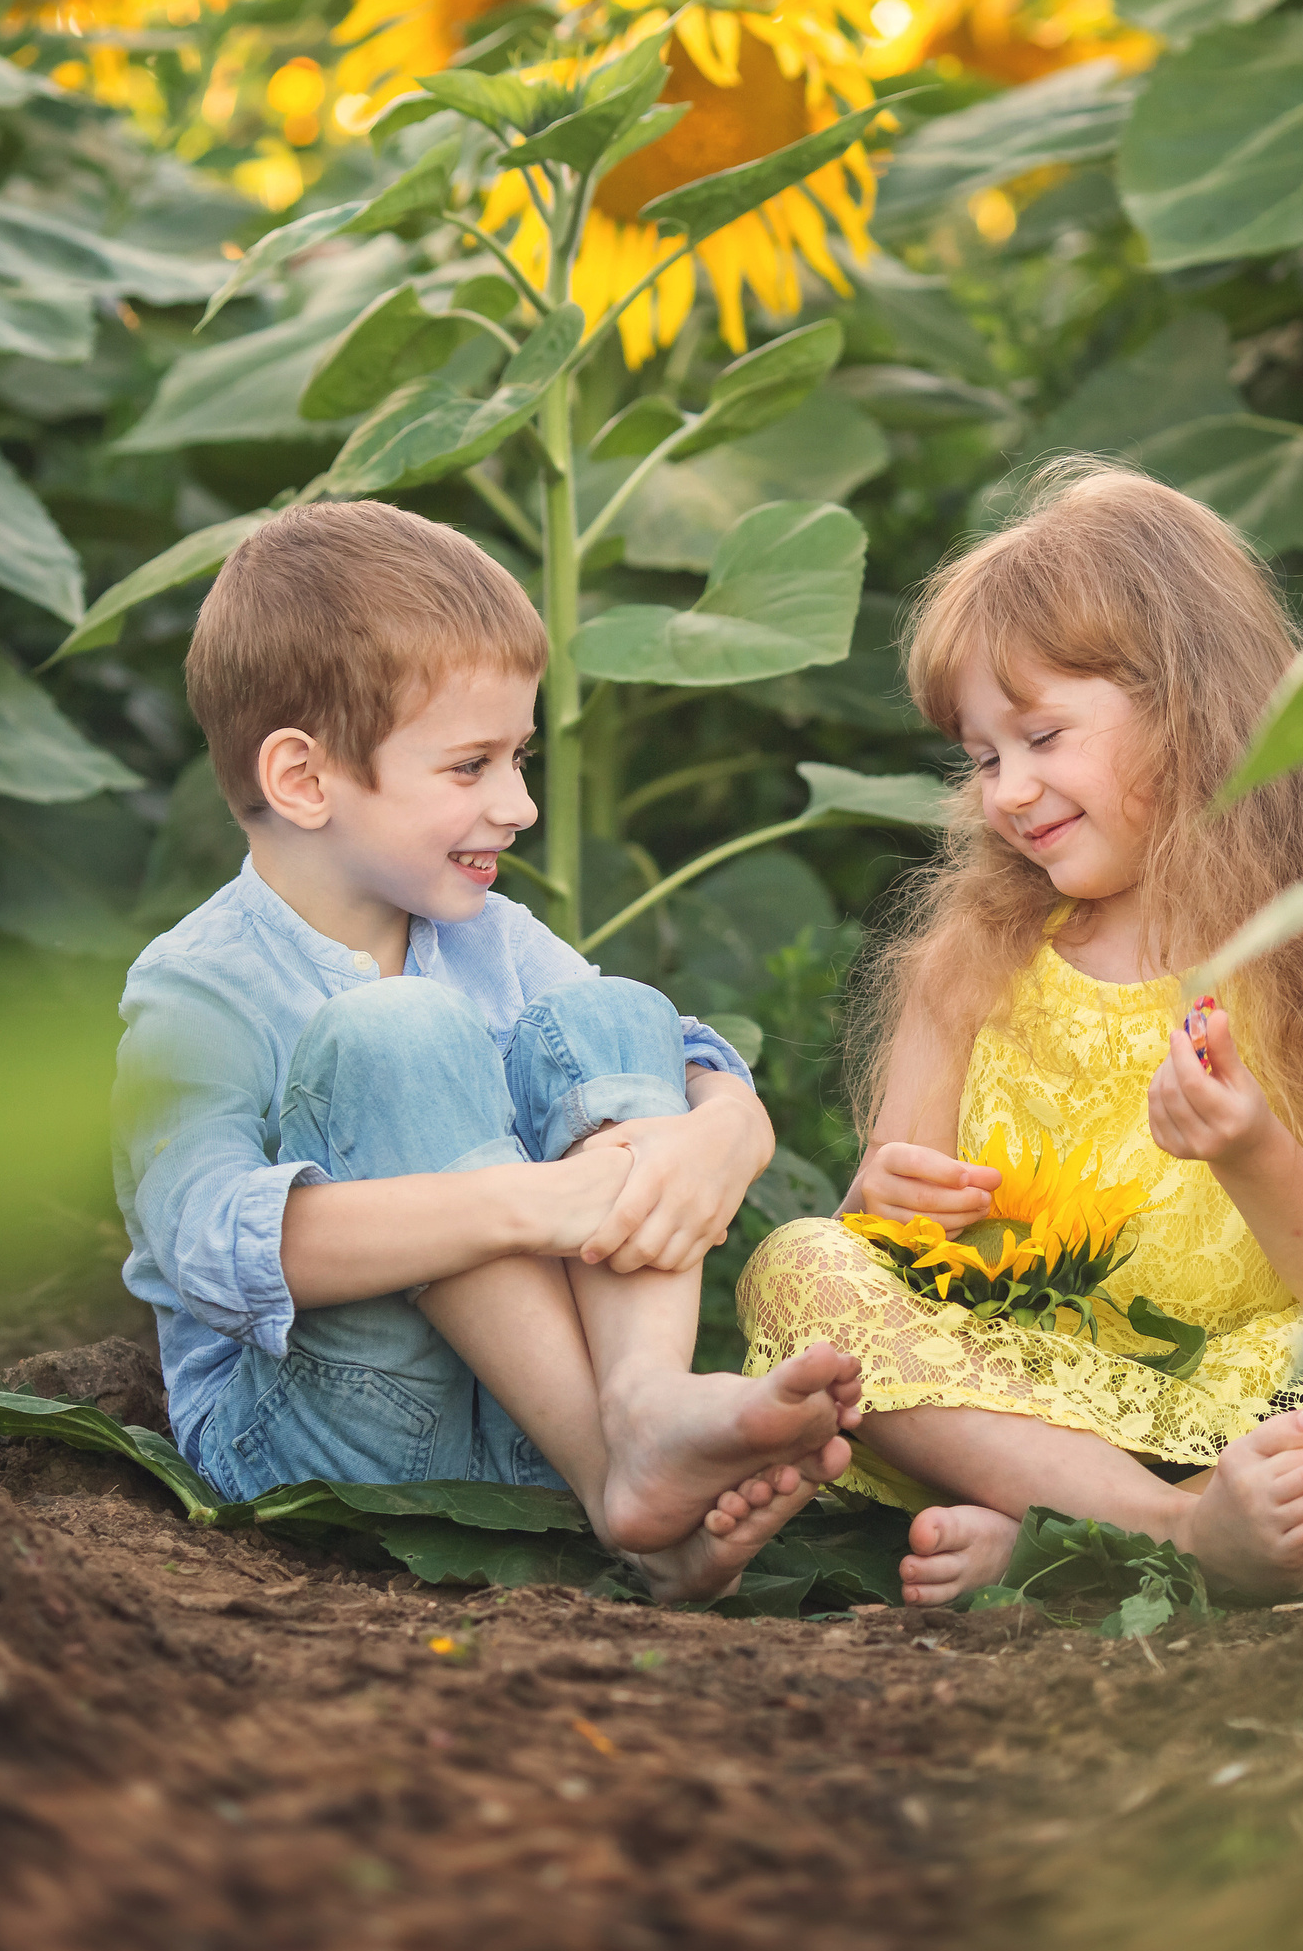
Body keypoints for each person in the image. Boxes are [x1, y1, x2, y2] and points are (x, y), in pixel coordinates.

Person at [736, 463, 1303, 1604]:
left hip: (1289, 1394)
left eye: (1044, 735)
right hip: (1034, 1397)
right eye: (982, 756)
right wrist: (879, 1208)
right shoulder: (968, 961)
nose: (1009, 790)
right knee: (797, 1264)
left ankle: (1081, 1541)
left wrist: (1249, 1147)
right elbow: (898, 1264)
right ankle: (1166, 1529)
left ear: (1191, 705)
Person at [113, 500, 864, 1603]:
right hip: (320, 1448)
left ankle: (639, 1428)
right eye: (469, 766)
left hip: (519, 1434)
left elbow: (654, 1047)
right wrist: (532, 1204)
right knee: (395, 1029)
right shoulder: (199, 990)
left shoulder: (488, 933)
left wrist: (730, 1123)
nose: (515, 804)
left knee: (614, 1006)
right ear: (305, 779)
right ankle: (625, 1479)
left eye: (518, 757)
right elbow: (209, 1244)